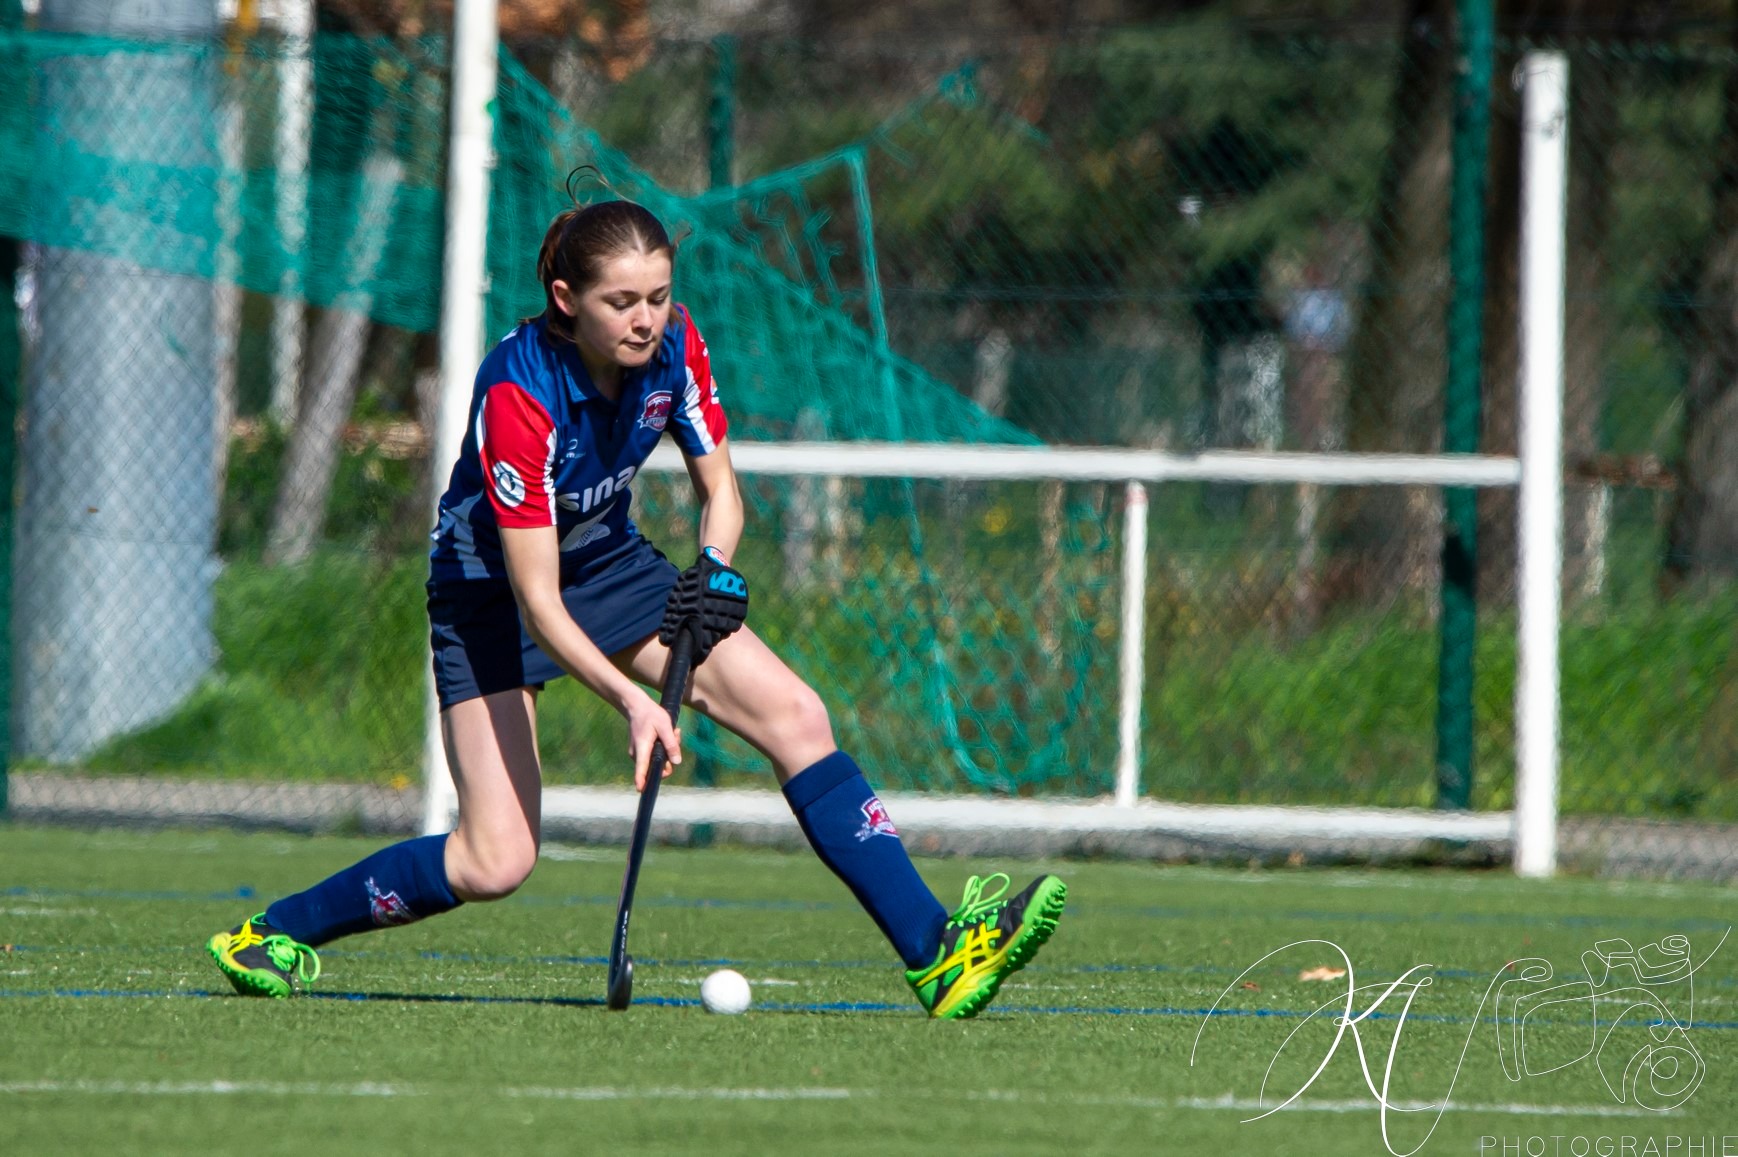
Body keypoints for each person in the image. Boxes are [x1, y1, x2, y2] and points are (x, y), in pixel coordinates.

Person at [206, 190, 1067, 1020]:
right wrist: (633, 702)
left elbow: (720, 491)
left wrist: (715, 566)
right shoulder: (518, 392)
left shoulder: (676, 349)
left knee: (797, 715)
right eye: (621, 301)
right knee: (495, 858)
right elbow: (538, 599)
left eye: (657, 296)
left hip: (611, 565)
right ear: (566, 299)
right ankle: (273, 931)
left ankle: (937, 950)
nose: (645, 318)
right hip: (490, 594)